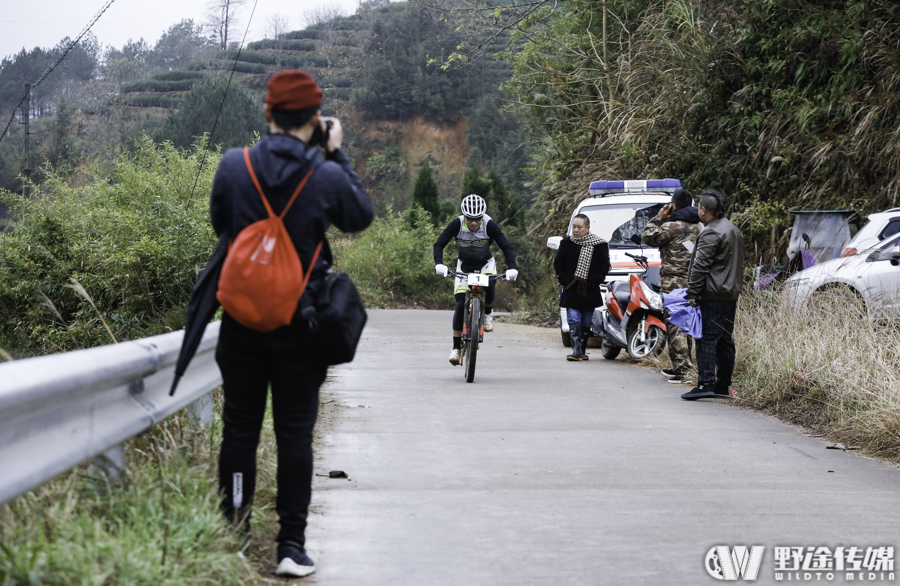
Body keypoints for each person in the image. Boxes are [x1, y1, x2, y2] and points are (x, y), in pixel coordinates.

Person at [210, 70, 373, 577]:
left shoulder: (234, 166)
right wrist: (335, 153)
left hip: (240, 323)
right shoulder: (324, 174)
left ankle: (234, 538)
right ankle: (291, 546)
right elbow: (359, 216)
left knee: (239, 430)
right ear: (315, 121)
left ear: (268, 114)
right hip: (301, 326)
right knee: (295, 436)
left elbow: (222, 226)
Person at [433, 194, 518, 365]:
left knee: (490, 282)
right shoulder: (457, 224)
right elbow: (439, 244)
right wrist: (439, 264)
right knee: (459, 303)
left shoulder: (489, 224)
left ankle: (487, 312)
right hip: (464, 266)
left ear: (482, 217)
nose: (473, 223)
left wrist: (512, 268)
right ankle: (456, 348)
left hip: (485, 264)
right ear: (464, 216)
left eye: (477, 219)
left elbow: (506, 246)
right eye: (470, 219)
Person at [680, 190, 744, 401]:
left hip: (713, 292)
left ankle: (706, 383)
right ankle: (722, 384)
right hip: (730, 293)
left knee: (706, 338)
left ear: (703, 209)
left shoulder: (710, 232)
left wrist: (692, 292)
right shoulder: (733, 230)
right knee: (725, 339)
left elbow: (700, 266)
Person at [641, 188, 703, 384]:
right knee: (689, 323)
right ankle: (686, 365)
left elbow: (647, 236)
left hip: (673, 282)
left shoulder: (672, 226)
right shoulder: (700, 226)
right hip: (694, 282)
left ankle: (683, 369)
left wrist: (658, 217)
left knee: (675, 323)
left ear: (673, 205)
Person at [553, 214, 611, 361]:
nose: (576, 230)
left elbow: (604, 266)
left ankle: (582, 351)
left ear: (587, 228)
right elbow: (558, 264)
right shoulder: (566, 243)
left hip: (590, 289)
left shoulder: (599, 244)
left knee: (586, 321)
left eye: (579, 227)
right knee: (573, 318)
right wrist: (565, 280)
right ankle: (576, 350)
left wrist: (594, 280)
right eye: (574, 227)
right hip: (571, 288)